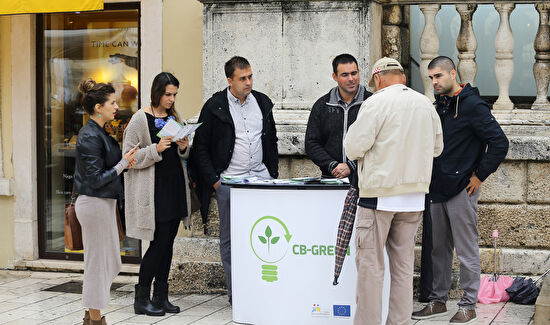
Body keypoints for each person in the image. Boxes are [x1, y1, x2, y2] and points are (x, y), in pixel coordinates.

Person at [344, 57, 443, 325]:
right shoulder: (425, 103)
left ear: (377, 79)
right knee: (402, 268)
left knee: (370, 269)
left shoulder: (375, 103)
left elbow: (353, 148)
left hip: (379, 195)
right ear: (402, 77)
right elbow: (437, 149)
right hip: (414, 197)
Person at [412, 56, 509, 324]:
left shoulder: (473, 105)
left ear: (453, 73)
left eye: (439, 76)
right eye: (431, 77)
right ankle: (437, 301)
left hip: (462, 189)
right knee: (438, 250)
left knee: (466, 251)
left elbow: (499, 143)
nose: (434, 82)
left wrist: (479, 176)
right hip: (436, 187)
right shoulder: (439, 106)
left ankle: (468, 305)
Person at [191, 56, 279, 303]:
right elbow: (200, 148)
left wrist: (272, 173)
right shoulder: (214, 106)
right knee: (231, 239)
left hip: (261, 180)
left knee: (265, 235)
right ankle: (236, 292)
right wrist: (216, 182)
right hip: (230, 183)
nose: (248, 82)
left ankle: (264, 287)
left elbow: (270, 140)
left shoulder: (262, 102)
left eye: (250, 76)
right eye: (243, 78)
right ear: (230, 80)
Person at [123, 72, 192, 316]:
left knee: (168, 242)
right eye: (167, 94)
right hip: (154, 192)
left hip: (173, 186)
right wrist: (155, 148)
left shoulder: (174, 116)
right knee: (158, 243)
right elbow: (128, 158)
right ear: (157, 92)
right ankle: (141, 298)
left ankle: (160, 296)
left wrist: (184, 147)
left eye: (174, 94)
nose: (172, 99)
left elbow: (182, 154)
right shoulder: (140, 119)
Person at [74, 79, 137, 325]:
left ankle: (90, 315)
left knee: (108, 260)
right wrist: (122, 164)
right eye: (112, 102)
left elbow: (106, 168)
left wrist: (124, 163)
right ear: (98, 107)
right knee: (97, 264)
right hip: (94, 204)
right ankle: (95, 319)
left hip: (102, 204)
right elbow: (95, 178)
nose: (116, 106)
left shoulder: (99, 132)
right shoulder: (89, 135)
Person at [305, 53, 372, 182]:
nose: (351, 79)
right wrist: (333, 166)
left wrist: (351, 166)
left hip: (364, 180)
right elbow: (311, 143)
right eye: (345, 75)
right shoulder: (322, 105)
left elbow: (378, 142)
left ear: (358, 72)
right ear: (334, 76)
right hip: (331, 179)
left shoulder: (372, 103)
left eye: (354, 73)